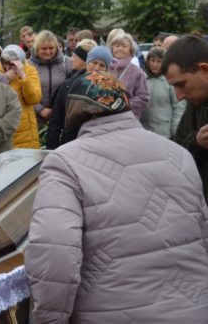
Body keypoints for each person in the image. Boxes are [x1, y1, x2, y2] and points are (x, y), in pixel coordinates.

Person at [25, 71, 208, 323]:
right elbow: (203, 234)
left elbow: (55, 254)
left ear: (74, 109)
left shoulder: (64, 163)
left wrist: (50, 319)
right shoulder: (178, 154)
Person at [163, 35, 208, 202]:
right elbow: (178, 154)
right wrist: (197, 143)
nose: (179, 96)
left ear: (205, 70)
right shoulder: (195, 102)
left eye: (181, 85)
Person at [46, 44, 111, 149]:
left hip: (96, 146)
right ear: (88, 62)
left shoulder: (110, 91)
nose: (97, 68)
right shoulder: (68, 86)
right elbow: (56, 121)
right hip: (70, 144)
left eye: (102, 65)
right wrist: (51, 149)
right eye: (94, 62)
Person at [0, 45, 42, 149]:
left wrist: (23, 76)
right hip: (6, 126)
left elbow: (34, 99)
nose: (9, 67)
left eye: (12, 64)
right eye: (5, 63)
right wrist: (4, 79)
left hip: (26, 130)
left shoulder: (30, 70)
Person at [29, 30, 72, 125]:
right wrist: (40, 109)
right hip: (35, 119)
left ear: (56, 48)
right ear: (37, 49)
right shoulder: (28, 65)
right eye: (43, 49)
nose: (48, 52)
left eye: (51, 48)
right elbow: (23, 93)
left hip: (62, 117)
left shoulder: (67, 63)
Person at [141, 47, 185, 138]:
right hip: (144, 132)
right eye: (153, 60)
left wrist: (176, 131)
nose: (155, 65)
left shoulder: (171, 80)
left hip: (165, 133)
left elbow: (179, 107)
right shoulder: (141, 78)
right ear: (148, 61)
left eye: (159, 61)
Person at [108, 32, 150, 118]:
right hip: (105, 117)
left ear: (131, 50)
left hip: (127, 118)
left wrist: (122, 104)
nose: (120, 48)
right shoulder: (105, 67)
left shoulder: (137, 72)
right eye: (117, 46)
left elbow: (143, 98)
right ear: (112, 48)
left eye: (124, 46)